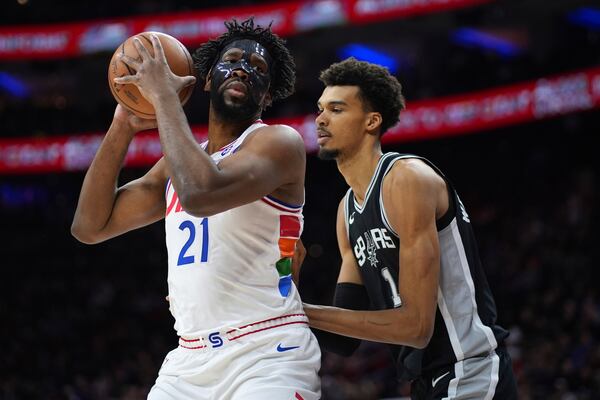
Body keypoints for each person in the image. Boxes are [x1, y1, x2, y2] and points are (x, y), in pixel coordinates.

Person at [71, 18, 320, 400]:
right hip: (189, 359)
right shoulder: (181, 162)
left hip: (267, 352)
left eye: (258, 68)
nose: (243, 67)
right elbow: (90, 226)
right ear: (204, 81)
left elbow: (200, 195)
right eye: (233, 58)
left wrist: (164, 99)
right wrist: (124, 123)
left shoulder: (279, 143)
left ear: (267, 96)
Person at [302, 57, 518, 399]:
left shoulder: (405, 179)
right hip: (426, 384)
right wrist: (286, 289)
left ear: (372, 121)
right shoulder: (346, 212)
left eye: (337, 109)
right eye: (320, 109)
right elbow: (342, 340)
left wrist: (297, 311)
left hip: (470, 371)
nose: (321, 119)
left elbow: (416, 327)